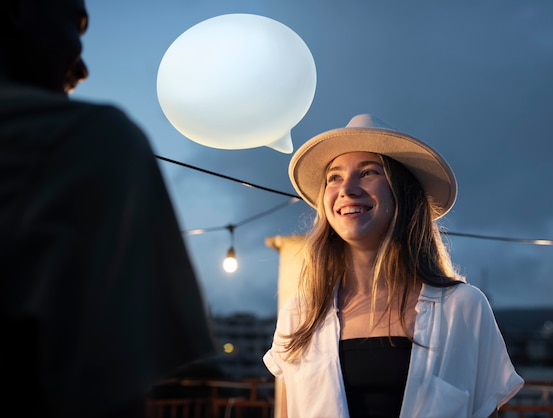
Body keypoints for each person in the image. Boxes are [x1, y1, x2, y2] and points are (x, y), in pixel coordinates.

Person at [0, 0, 216, 417]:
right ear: (18, 10)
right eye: (75, 28)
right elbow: (108, 388)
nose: (82, 69)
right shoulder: (92, 142)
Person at [263, 114, 524, 417]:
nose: (347, 188)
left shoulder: (463, 308)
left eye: (368, 173)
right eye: (334, 177)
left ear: (403, 193)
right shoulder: (299, 317)